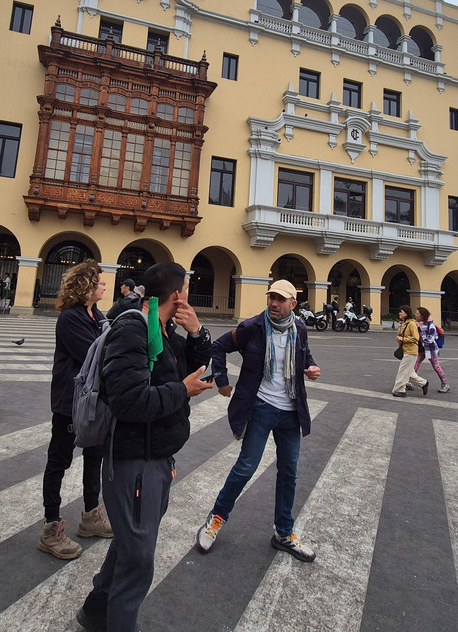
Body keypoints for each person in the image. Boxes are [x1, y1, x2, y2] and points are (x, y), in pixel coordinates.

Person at [76, 262, 214, 632]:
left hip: (154, 455)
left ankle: (95, 611)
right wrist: (182, 391)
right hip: (133, 459)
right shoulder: (134, 329)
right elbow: (129, 401)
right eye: (187, 287)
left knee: (129, 544)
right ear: (176, 294)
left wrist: (197, 331)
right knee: (138, 559)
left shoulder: (162, 328)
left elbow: (194, 367)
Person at [195, 280, 321, 562]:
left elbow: (305, 357)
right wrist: (222, 380)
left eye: (280, 299)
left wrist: (310, 368)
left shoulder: (299, 328)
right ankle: (215, 519)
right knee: (245, 468)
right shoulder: (251, 327)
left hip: (291, 411)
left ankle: (284, 534)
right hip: (262, 406)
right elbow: (218, 347)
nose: (274, 303)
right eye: (271, 297)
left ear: (293, 304)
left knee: (289, 473)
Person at [38, 260, 113, 560]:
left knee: (94, 457)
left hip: (93, 401)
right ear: (87, 287)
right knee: (59, 460)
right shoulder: (70, 319)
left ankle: (90, 517)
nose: (105, 286)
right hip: (70, 404)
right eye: (101, 283)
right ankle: (50, 526)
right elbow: (94, 356)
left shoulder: (97, 316)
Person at [392, 304, 428, 397]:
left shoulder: (412, 324)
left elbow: (415, 338)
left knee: (402, 371)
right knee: (409, 372)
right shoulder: (402, 324)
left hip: (411, 351)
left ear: (406, 313)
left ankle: (400, 389)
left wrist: (403, 339)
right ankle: (423, 383)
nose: (400, 313)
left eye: (401, 312)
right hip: (405, 350)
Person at [414, 306, 450, 393]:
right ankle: (410, 381)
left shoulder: (431, 325)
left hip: (431, 349)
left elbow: (431, 338)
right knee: (415, 364)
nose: (416, 315)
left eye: (417, 313)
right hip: (422, 349)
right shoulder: (419, 324)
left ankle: (445, 383)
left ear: (422, 315)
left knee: (436, 366)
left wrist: (422, 340)